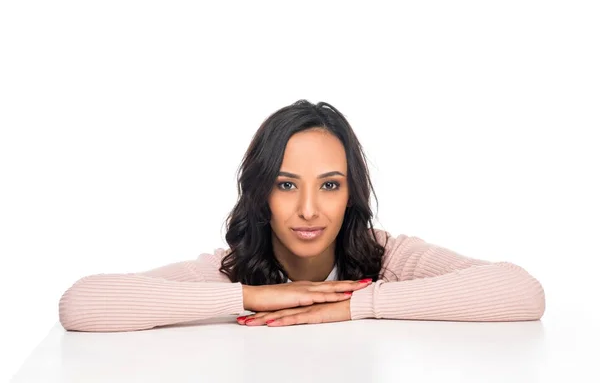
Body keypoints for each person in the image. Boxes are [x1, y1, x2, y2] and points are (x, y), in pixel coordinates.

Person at [58, 100, 546, 332]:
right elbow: (81, 304)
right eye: (286, 185)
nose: (309, 209)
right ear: (261, 191)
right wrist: (257, 296)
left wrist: (353, 306)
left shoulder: (388, 255)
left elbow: (523, 292)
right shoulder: (230, 269)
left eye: (329, 185)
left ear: (351, 192)